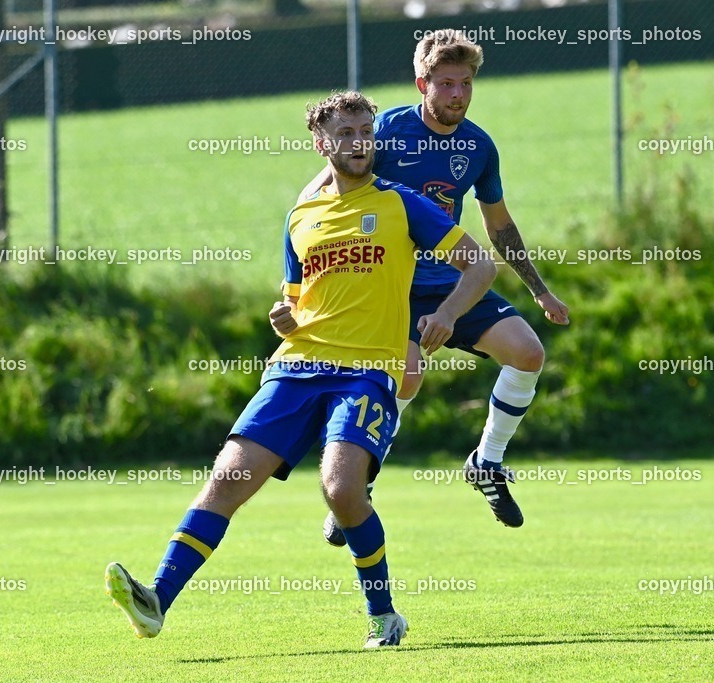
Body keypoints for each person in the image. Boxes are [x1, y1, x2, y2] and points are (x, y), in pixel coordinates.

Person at [106, 91, 496, 649]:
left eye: (367, 130)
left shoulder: (401, 203)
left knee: (341, 489)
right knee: (225, 482)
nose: (359, 140)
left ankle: (383, 616)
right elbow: (296, 303)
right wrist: (284, 319)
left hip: (365, 371)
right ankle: (155, 603)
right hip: (296, 368)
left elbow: (480, 265)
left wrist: (447, 313)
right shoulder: (301, 216)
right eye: (346, 132)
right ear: (322, 143)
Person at [284, 29, 570, 539]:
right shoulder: (385, 131)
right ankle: (358, 485)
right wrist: (303, 272)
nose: (457, 94)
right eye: (446, 83)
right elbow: (322, 192)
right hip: (390, 285)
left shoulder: (479, 146)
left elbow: (498, 225)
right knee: (408, 376)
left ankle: (487, 462)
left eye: (465, 83)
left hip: (453, 282)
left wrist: (539, 289)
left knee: (528, 354)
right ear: (423, 83)